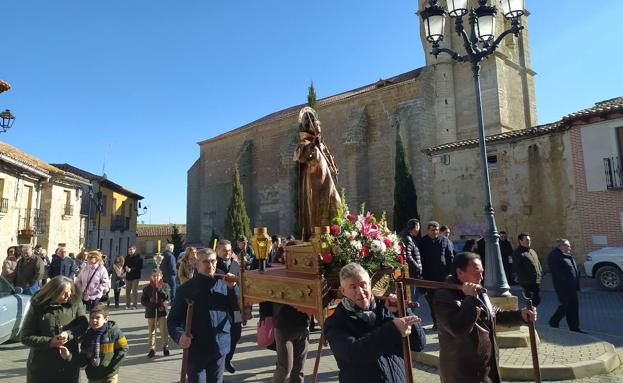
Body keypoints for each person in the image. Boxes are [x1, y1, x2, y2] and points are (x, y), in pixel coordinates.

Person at [434, 252, 537, 383]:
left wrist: (520, 315)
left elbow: (493, 314)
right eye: (477, 273)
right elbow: (458, 328)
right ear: (460, 273)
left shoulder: (477, 289)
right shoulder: (444, 296)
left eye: (482, 272)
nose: (481, 277)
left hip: (487, 369)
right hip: (462, 373)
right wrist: (470, 299)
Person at [324, 263, 426, 383]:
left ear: (370, 284)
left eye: (363, 285)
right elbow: (354, 354)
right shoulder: (335, 322)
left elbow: (419, 344)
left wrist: (402, 311)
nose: (360, 291)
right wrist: (393, 329)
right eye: (353, 287)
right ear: (343, 291)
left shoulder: (386, 308)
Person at [167, 248, 238, 383]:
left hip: (220, 347)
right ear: (196, 263)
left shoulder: (224, 284)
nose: (210, 265)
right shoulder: (185, 290)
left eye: (213, 261)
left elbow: (236, 310)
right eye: (205, 262)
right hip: (196, 350)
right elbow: (173, 320)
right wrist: (179, 335)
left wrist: (232, 289)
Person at [21, 275, 88, 383]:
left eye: (70, 291)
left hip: (68, 363)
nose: (68, 295)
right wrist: (50, 342)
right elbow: (25, 336)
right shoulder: (38, 305)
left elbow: (83, 323)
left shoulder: (75, 301)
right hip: (42, 366)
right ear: (53, 293)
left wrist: (69, 334)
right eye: (64, 293)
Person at [293, 106, 342, 240]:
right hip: (314, 182)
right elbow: (299, 155)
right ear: (309, 126)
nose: (319, 126)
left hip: (327, 181)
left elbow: (328, 158)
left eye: (319, 124)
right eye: (316, 124)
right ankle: (319, 235)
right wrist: (312, 145)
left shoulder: (321, 143)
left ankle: (335, 233)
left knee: (336, 204)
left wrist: (333, 168)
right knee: (317, 210)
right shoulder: (305, 142)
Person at [59, 303, 128, 383]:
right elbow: (84, 358)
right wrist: (69, 356)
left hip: (109, 375)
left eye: (98, 317)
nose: (94, 320)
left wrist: (111, 367)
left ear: (106, 319)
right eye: (92, 318)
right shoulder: (88, 336)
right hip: (94, 376)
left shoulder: (115, 332)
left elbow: (123, 350)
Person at [417, 220, 453, 328]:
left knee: (444, 299)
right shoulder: (422, 242)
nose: (435, 232)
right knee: (432, 301)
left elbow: (450, 257)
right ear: (428, 230)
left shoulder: (444, 241)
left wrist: (451, 273)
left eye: (437, 230)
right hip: (429, 277)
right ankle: (436, 322)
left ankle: (445, 322)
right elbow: (420, 259)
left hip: (442, 276)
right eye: (433, 230)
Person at [216, 239, 242, 374]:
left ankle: (228, 359)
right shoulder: (213, 265)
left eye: (229, 250)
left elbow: (242, 283)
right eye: (224, 250)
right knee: (221, 333)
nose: (227, 253)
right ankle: (220, 362)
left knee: (237, 331)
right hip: (220, 305)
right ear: (217, 251)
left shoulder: (235, 264)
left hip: (235, 305)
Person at [548, 239, 583, 332]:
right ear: (562, 246)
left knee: (573, 307)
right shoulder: (555, 256)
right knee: (566, 306)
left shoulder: (565, 254)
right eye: (568, 246)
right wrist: (567, 282)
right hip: (564, 287)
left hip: (571, 286)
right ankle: (554, 321)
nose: (570, 248)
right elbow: (556, 273)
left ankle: (574, 327)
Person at [141, 268, 171, 357]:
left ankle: (165, 347)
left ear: (161, 276)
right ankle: (152, 349)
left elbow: (167, 297)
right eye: (154, 276)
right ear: (151, 277)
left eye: (158, 276)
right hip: (151, 312)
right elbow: (143, 301)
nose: (156, 277)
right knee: (151, 331)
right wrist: (149, 302)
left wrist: (160, 289)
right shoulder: (147, 288)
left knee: (163, 330)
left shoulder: (165, 286)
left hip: (162, 312)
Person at [512, 232, 543, 306]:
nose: (528, 242)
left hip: (536, 282)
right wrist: (525, 281)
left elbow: (538, 264)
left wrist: (540, 274)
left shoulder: (532, 251)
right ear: (520, 241)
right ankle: (529, 316)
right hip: (527, 283)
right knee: (530, 303)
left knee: (536, 301)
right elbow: (517, 268)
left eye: (529, 240)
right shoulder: (518, 253)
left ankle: (533, 315)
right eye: (526, 240)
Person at [399, 218, 423, 301]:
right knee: (412, 299)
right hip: (411, 273)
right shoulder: (407, 239)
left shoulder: (407, 236)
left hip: (411, 273)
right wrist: (417, 267)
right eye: (419, 227)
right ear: (416, 226)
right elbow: (408, 256)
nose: (419, 230)